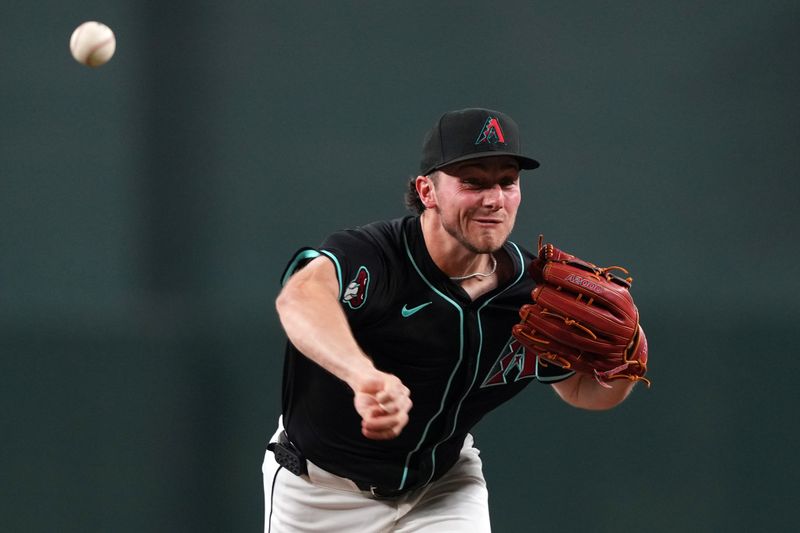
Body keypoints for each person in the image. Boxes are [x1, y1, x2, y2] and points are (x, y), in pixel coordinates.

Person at [262, 108, 641, 532]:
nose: (494, 198)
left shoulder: (531, 293)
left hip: (441, 490)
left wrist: (622, 364)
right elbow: (299, 298)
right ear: (428, 191)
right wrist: (363, 376)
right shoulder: (377, 256)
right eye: (473, 182)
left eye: (507, 182)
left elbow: (580, 390)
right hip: (321, 495)